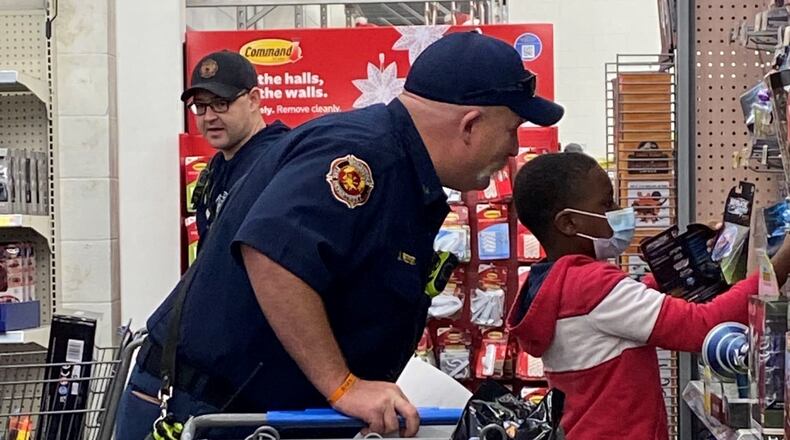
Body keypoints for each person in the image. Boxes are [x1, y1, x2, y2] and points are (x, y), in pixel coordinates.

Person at [115, 31, 563, 440]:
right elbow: (273, 253)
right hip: (208, 413)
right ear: (469, 125)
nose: (513, 149)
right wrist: (343, 386)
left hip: (249, 412)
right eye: (512, 130)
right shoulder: (364, 157)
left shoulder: (400, 170)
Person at [506, 152, 790, 440]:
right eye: (606, 204)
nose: (619, 211)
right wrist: (781, 261)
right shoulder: (590, 286)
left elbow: (622, 310)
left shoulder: (554, 283)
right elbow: (704, 326)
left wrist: (683, 264)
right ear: (568, 223)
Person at [184, 50, 290, 241]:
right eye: (200, 106)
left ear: (253, 100)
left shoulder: (278, 163)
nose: (209, 117)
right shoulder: (218, 165)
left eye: (221, 103)